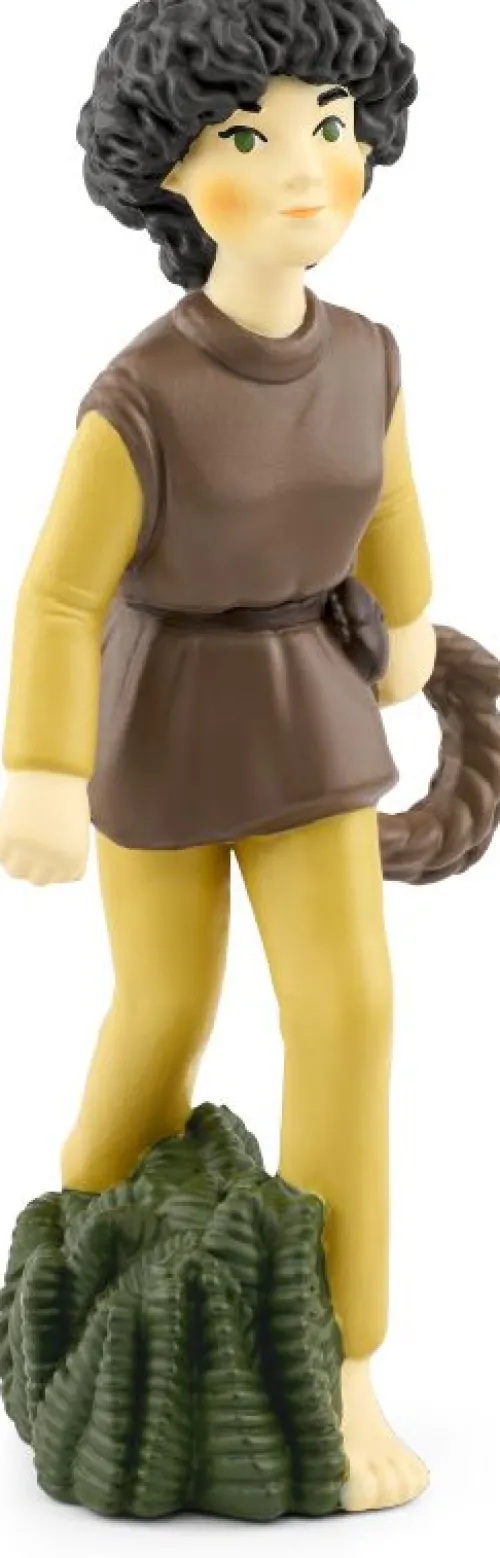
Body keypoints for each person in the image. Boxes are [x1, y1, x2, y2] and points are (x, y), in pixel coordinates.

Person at [0, 0, 437, 1514]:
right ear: (170, 175)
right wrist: (41, 770)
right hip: (169, 717)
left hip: (309, 705)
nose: (306, 168)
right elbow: (60, 596)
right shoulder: (140, 397)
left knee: (351, 1013)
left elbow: (388, 505)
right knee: (166, 1004)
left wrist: (414, 625)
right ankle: (69, 1250)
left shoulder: (369, 357)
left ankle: (347, 1353)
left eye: (332, 125)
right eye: (249, 135)